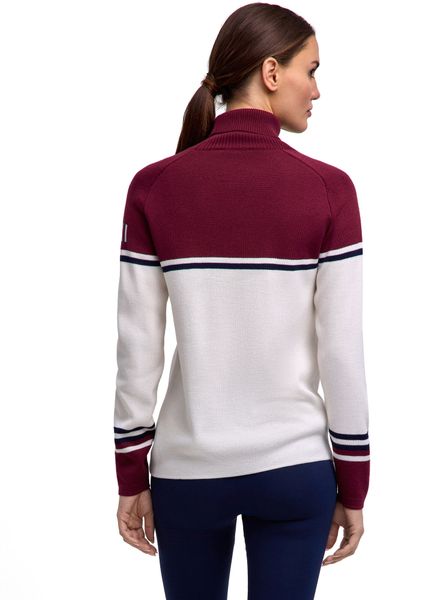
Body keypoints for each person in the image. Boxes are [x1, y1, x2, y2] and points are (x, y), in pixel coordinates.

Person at [113, 3, 370, 598]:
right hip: (295, 470)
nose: (317, 90)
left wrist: (130, 473)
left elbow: (137, 349)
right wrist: (354, 480)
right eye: (311, 70)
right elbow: (341, 352)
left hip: (187, 474)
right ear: (272, 72)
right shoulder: (329, 190)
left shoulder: (153, 186)